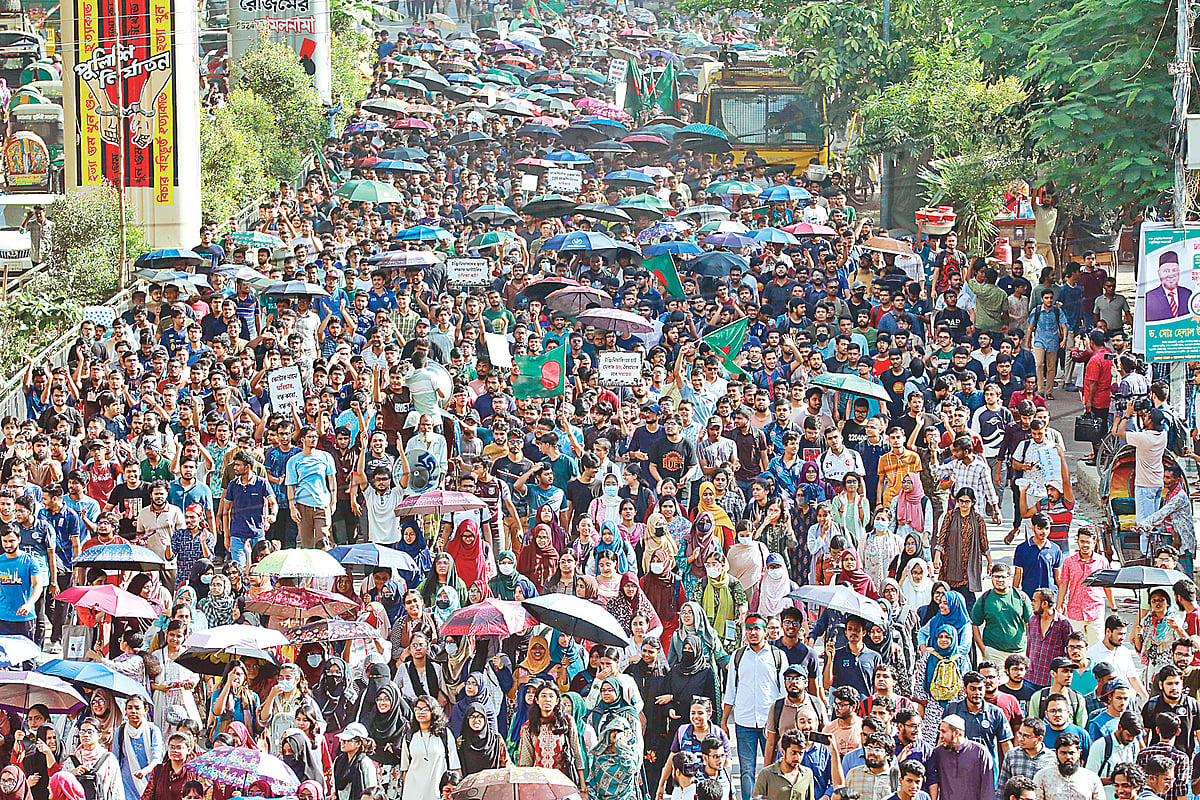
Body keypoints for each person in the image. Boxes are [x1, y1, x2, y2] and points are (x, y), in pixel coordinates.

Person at [722, 614, 787, 800]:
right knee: (746, 770)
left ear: (765, 631)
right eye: (749, 629)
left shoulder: (777, 656)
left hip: (770, 723)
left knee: (773, 768)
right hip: (744, 721)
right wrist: (725, 720)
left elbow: (783, 692)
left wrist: (781, 722)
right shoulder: (738, 656)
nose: (753, 633)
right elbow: (731, 691)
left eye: (757, 628)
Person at [925, 715, 995, 800]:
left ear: (956, 733)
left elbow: (988, 788)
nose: (941, 736)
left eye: (943, 732)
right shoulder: (938, 753)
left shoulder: (980, 752)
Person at [1032, 732, 1103, 800]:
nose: (1068, 757)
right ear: (1056, 753)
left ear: (1079, 753)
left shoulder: (1091, 778)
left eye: (1071, 753)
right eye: (1063, 753)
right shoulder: (1042, 777)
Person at [750, 728, 815, 800]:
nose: (797, 757)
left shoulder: (807, 774)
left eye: (801, 753)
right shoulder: (766, 774)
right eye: (793, 753)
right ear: (783, 752)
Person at [1144, 251, 1191, 322]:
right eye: (1166, 271)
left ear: (1179, 272)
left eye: (1174, 270)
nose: (1171, 275)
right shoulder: (1149, 297)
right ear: (1159, 273)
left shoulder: (1188, 294)